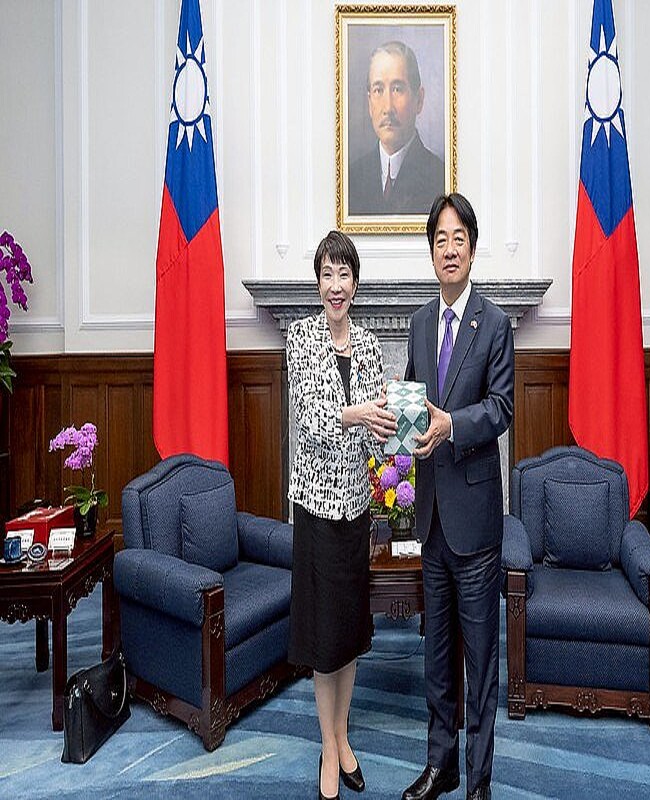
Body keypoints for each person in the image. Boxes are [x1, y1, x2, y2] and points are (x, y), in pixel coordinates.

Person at [402, 194, 514, 800]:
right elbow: (415, 401)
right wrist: (402, 427)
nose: (449, 249)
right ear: (431, 252)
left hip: (474, 520)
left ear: (472, 248)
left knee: (481, 662)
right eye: (439, 240)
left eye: (458, 238)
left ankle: (479, 782)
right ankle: (439, 765)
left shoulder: (494, 324)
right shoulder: (420, 323)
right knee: (437, 656)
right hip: (431, 520)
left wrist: (452, 426)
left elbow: (500, 408)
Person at [287, 230, 397, 800]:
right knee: (324, 637)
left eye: (345, 275)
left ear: (356, 284)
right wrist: (360, 413)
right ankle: (328, 747)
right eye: (327, 274)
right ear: (318, 283)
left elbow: (378, 436)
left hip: (356, 508)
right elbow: (313, 419)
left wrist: (397, 424)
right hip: (316, 509)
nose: (336, 286)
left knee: (350, 635)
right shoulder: (300, 339)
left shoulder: (372, 345)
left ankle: (343, 734)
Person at [349, 40, 445, 216]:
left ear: (419, 100)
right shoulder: (351, 178)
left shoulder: (440, 178)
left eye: (397, 89)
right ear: (369, 103)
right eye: (378, 90)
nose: (388, 108)